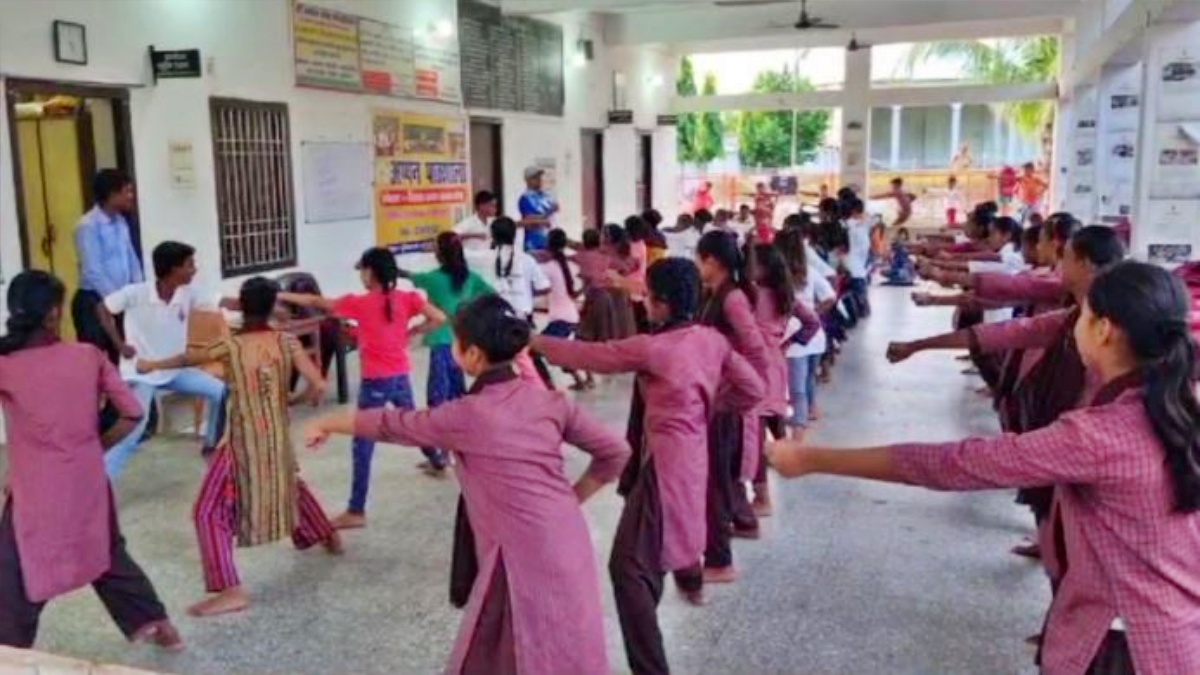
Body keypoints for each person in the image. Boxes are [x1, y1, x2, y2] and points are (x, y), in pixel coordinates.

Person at [769, 261, 1200, 675]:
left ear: (1104, 330)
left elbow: (958, 465)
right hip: (1178, 631)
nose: (1075, 322)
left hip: (1128, 646)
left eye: (1083, 315)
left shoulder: (1102, 435)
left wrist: (813, 458)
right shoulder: (1178, 403)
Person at [304, 294, 630, 675]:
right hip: (566, 537)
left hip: (520, 555)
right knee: (562, 648)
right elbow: (617, 452)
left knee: (524, 651)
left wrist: (328, 422)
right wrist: (571, 501)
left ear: (472, 354)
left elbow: (394, 425)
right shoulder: (550, 400)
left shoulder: (468, 414)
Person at [533, 259, 764, 675]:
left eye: (649, 296)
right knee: (651, 553)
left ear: (660, 303)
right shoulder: (712, 340)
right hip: (686, 458)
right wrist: (708, 407)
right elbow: (753, 389)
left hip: (666, 468)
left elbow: (593, 355)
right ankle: (685, 584)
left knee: (628, 567)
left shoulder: (654, 347)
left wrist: (532, 341)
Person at [137, 277, 342, 617]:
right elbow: (319, 384)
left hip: (241, 442)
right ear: (272, 305)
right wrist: (290, 400)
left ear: (242, 307)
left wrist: (150, 365)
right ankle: (327, 534)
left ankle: (230, 590)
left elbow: (189, 357)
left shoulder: (231, 345)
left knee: (207, 511)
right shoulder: (287, 341)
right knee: (286, 482)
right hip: (276, 437)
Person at [0, 270, 182, 651]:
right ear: (54, 313)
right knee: (106, 552)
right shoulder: (88, 355)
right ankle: (163, 628)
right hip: (87, 480)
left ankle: (8, 653)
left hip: (36, 489)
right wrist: (93, 448)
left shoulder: (6, 365)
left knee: (14, 571)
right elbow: (132, 413)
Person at [279, 247, 447, 528]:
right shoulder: (407, 298)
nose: (361, 275)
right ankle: (438, 461)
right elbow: (439, 318)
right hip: (400, 376)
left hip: (376, 380)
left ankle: (356, 510)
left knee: (363, 442)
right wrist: (413, 332)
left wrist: (281, 295)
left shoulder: (360, 303)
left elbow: (315, 301)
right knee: (411, 422)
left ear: (371, 272)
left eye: (362, 270)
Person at [98, 241, 227, 478]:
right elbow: (103, 308)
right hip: (141, 372)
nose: (194, 270)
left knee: (222, 392)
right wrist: (119, 345)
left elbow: (223, 302)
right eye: (189, 265)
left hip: (174, 370)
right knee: (134, 430)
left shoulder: (188, 293)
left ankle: (211, 443)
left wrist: (262, 299)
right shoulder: (135, 293)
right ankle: (100, 485)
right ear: (173, 269)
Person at [695, 230, 770, 582]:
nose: (698, 267)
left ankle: (718, 561)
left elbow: (756, 349)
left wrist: (746, 391)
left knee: (715, 482)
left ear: (712, 261)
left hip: (728, 403)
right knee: (721, 479)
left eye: (700, 260)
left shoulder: (732, 299)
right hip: (718, 398)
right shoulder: (717, 295)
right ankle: (742, 523)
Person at [408, 233, 495, 466]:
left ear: (439, 254)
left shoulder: (433, 279)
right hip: (462, 343)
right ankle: (465, 447)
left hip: (440, 343)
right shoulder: (469, 278)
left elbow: (409, 276)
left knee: (438, 400)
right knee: (457, 395)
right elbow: (492, 295)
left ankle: (443, 455)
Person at [73, 168, 143, 364]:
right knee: (95, 360)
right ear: (112, 194)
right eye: (127, 191)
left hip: (120, 300)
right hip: (94, 300)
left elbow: (131, 259)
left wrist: (137, 291)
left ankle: (123, 395)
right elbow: (93, 271)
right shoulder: (88, 226)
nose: (131, 196)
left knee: (123, 358)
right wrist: (117, 299)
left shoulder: (121, 222)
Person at [776, 229, 837, 436]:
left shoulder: (779, 276)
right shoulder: (810, 271)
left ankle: (799, 425)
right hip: (816, 335)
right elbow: (830, 296)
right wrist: (814, 314)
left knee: (796, 388)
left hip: (794, 338)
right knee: (809, 377)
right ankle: (810, 410)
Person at [843, 197, 872, 319]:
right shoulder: (865, 224)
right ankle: (862, 310)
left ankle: (860, 310)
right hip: (860, 267)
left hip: (852, 266)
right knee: (860, 294)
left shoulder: (848, 224)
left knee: (857, 293)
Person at [517, 166, 558, 252]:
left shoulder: (546, 196)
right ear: (527, 180)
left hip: (549, 242)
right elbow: (530, 219)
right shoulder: (525, 198)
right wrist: (550, 212)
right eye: (535, 178)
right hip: (534, 244)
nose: (539, 180)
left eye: (539, 177)